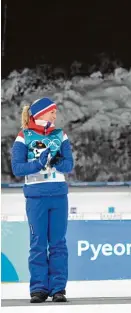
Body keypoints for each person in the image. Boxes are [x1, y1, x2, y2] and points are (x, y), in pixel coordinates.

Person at [11, 97, 74, 303]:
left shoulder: (60, 135)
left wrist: (58, 162)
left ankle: (58, 289)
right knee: (38, 243)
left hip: (57, 195)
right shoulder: (24, 136)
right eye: (52, 111)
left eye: (56, 112)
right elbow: (18, 168)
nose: (55, 115)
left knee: (58, 243)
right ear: (40, 114)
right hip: (36, 196)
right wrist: (38, 163)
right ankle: (38, 288)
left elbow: (69, 165)